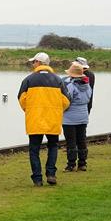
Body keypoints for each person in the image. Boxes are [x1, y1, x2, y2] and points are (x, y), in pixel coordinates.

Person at [18, 52, 69, 186]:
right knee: (53, 146)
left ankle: (37, 178)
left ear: (39, 63)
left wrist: (29, 110)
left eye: (33, 62)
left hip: (34, 119)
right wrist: (57, 110)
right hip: (53, 119)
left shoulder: (28, 80)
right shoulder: (58, 80)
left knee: (34, 149)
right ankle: (51, 173)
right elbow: (66, 100)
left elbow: (22, 99)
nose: (32, 64)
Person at [61, 62, 92, 172]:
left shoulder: (70, 86)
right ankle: (83, 163)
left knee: (71, 142)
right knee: (82, 140)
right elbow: (88, 99)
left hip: (69, 118)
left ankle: (71, 164)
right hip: (83, 116)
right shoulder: (87, 86)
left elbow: (66, 101)